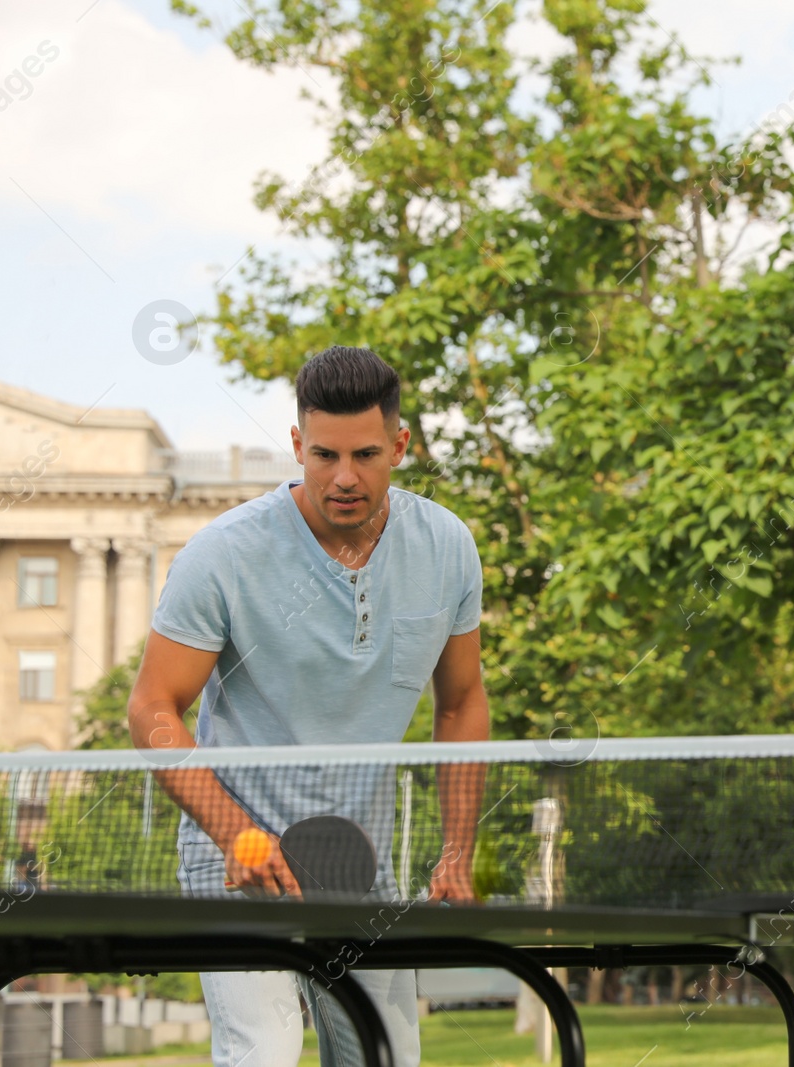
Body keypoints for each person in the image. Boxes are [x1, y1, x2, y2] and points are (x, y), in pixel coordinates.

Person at [126, 346, 490, 1067]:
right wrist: (234, 833)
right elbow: (152, 709)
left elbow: (462, 700)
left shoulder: (446, 546)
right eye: (323, 454)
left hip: (359, 861)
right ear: (297, 444)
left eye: (365, 454)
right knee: (263, 1048)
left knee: (383, 1057)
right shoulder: (224, 553)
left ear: (401, 446)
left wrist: (456, 849)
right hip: (237, 857)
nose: (344, 476)